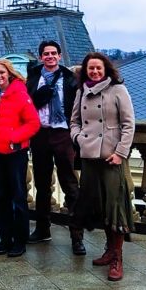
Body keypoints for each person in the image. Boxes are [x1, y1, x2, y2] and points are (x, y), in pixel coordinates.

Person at [70, 52, 135, 281]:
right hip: (89, 157)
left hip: (111, 157)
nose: (95, 72)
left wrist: (120, 153)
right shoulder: (81, 92)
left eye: (98, 68)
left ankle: (117, 258)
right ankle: (109, 250)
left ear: (106, 69)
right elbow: (75, 121)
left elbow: (129, 125)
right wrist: (78, 138)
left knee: (115, 206)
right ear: (85, 71)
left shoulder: (118, 90)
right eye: (91, 69)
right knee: (98, 205)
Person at [25, 41, 85, 255]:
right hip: (40, 133)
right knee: (42, 185)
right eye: (46, 54)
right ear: (41, 57)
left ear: (60, 56)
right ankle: (43, 228)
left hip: (63, 133)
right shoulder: (33, 78)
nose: (49, 57)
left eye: (53, 53)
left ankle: (77, 236)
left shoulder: (70, 79)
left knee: (70, 184)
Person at [0, 59, 40, 258]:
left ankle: (20, 240)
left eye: (1, 73)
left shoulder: (20, 94)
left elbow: (33, 123)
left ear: (9, 74)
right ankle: (5, 238)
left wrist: (14, 138)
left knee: (18, 197)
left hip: (15, 153)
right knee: (0, 197)